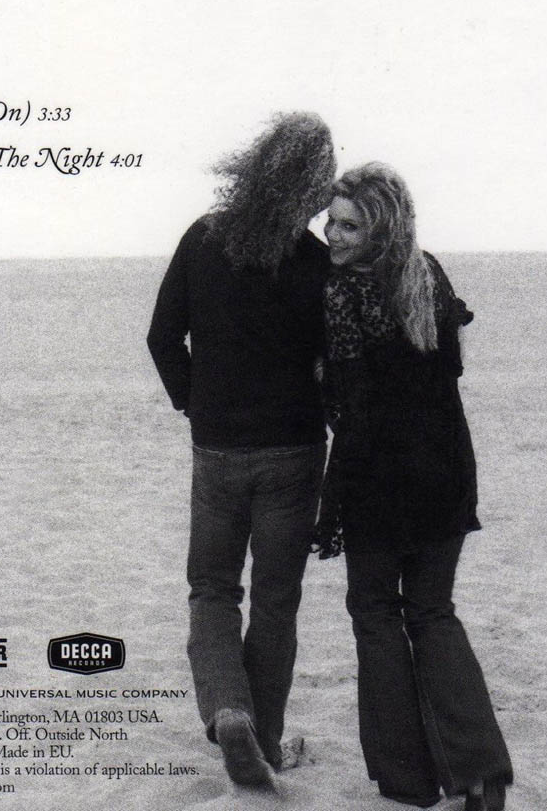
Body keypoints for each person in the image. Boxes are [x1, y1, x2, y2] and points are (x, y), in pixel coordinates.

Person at [147, 112, 336, 789]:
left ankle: (230, 711)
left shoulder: (204, 237)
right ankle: (267, 741)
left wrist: (195, 402)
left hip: (219, 449)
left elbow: (161, 337)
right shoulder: (316, 261)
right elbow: (335, 364)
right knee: (276, 600)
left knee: (212, 589)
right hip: (293, 450)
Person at [315, 162, 512, 810]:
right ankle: (480, 773)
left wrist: (333, 497)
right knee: (431, 611)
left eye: (348, 225)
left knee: (376, 614)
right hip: (445, 467)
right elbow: (450, 365)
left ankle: (407, 780)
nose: (332, 234)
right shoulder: (427, 272)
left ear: (377, 230)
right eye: (330, 221)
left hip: (379, 476)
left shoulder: (343, 292)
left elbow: (351, 407)